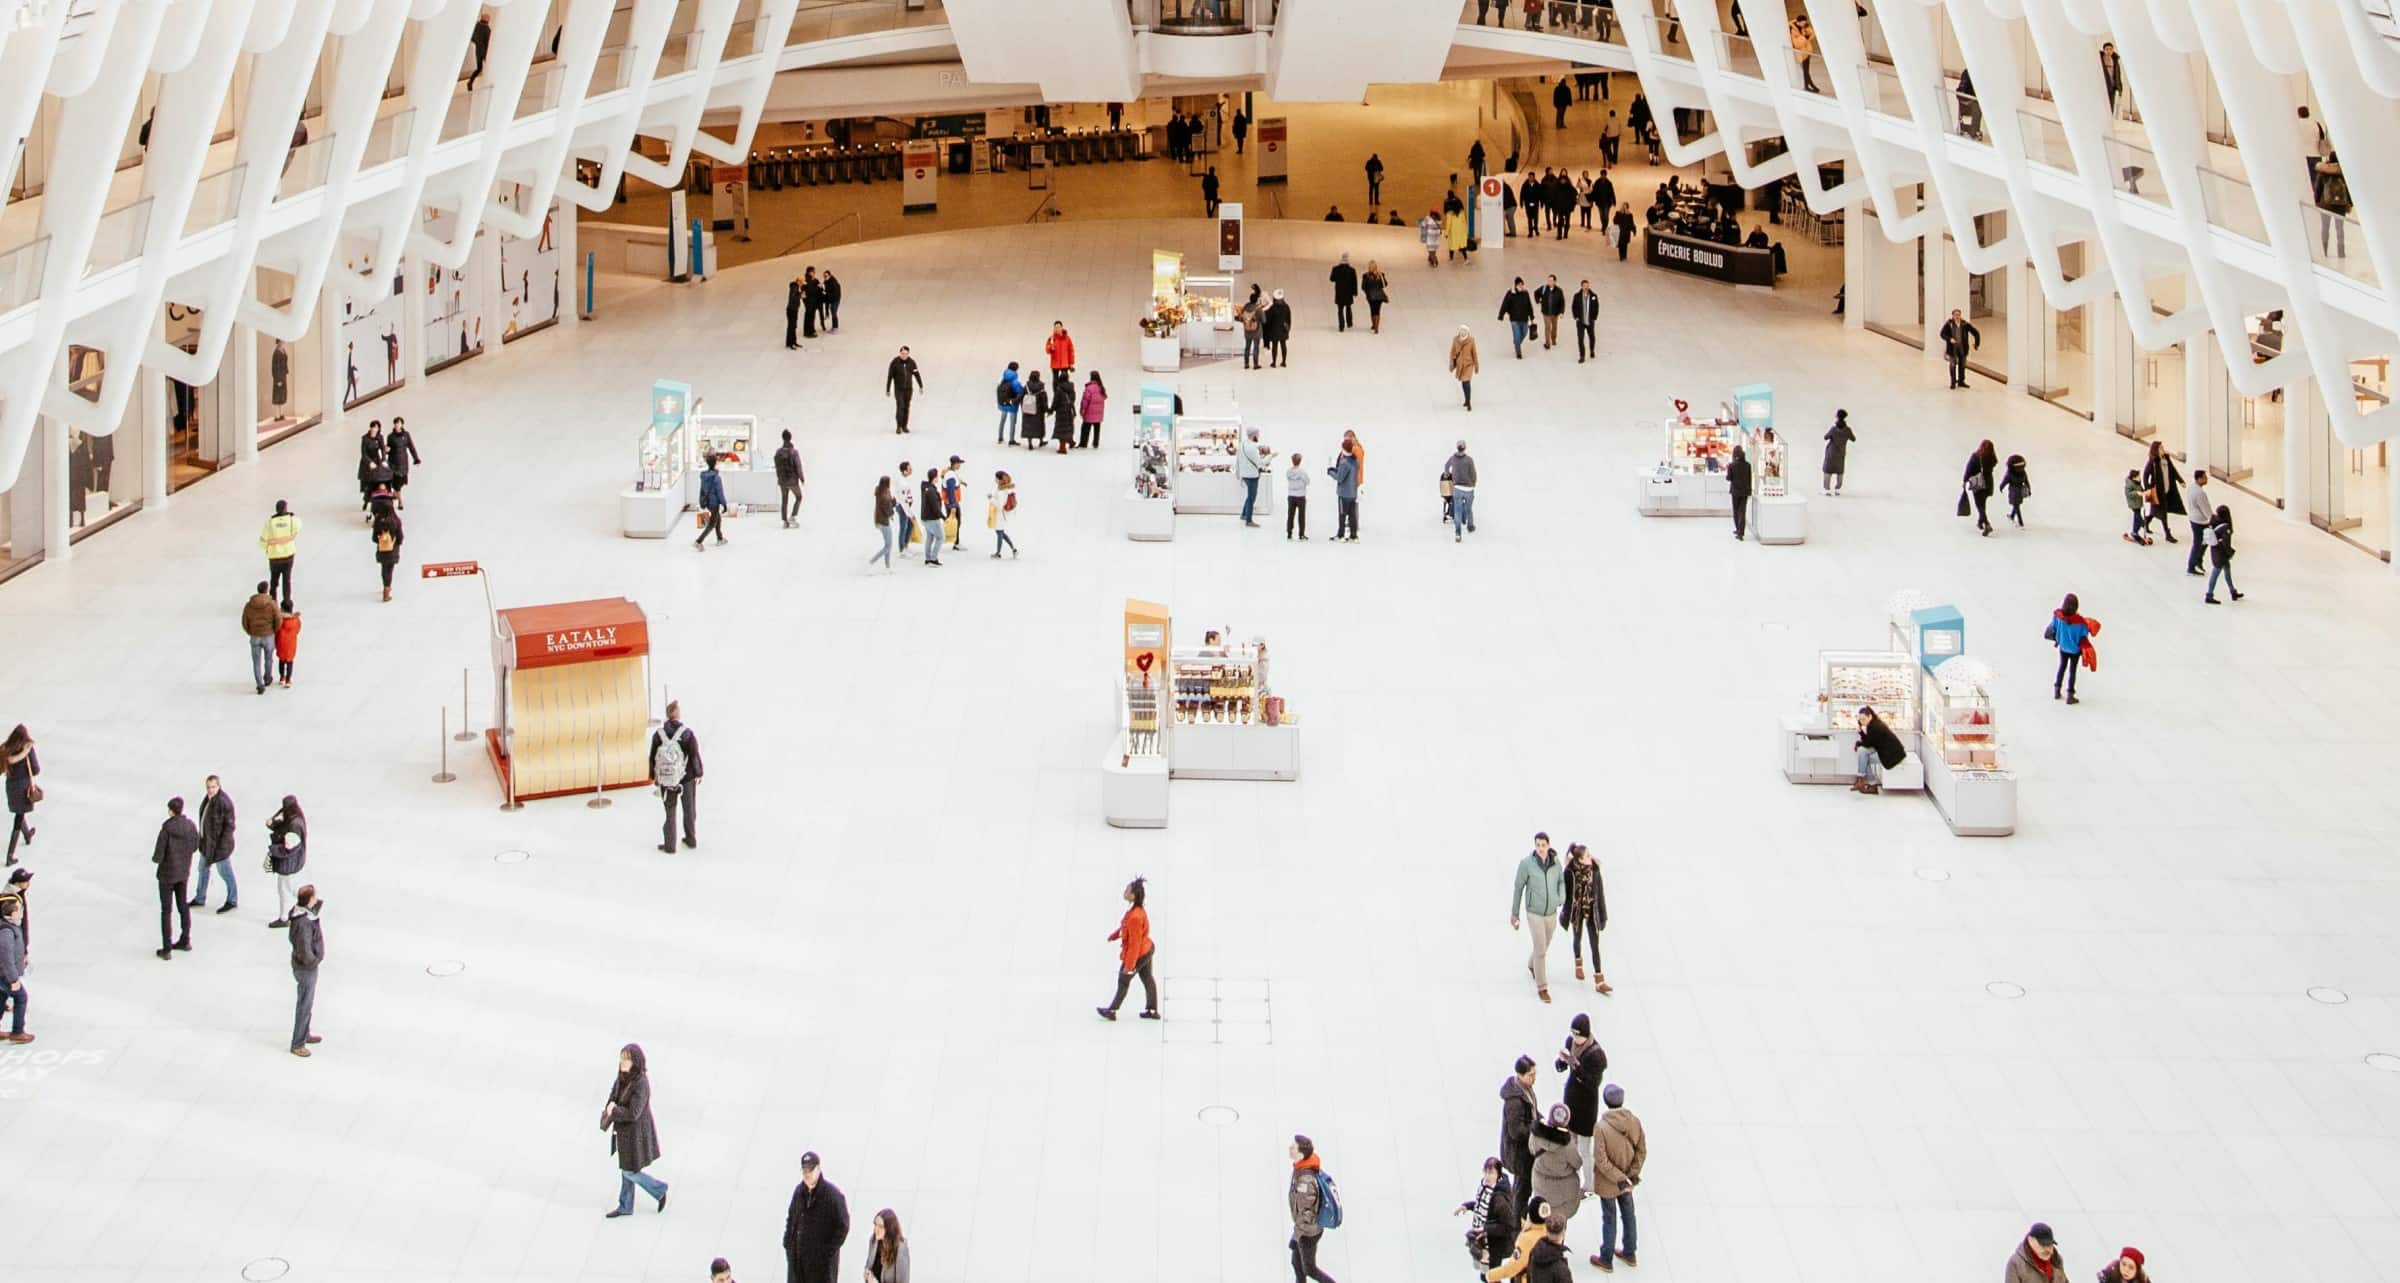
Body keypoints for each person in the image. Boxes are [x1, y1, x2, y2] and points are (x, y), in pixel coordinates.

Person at [602, 1044, 669, 1217]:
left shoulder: (641, 1083)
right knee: (626, 1168)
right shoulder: (622, 1077)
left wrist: (613, 1110)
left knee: (629, 1171)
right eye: (621, 1057)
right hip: (624, 1134)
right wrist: (610, 1105)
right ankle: (625, 1205)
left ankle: (659, 1190)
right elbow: (613, 1095)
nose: (622, 1061)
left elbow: (634, 1113)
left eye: (626, 1058)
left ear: (635, 1061)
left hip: (636, 1135)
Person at [1588, 1084, 1645, 1271]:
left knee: (1609, 1217)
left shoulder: (1601, 1127)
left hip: (1608, 1183)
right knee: (1629, 1214)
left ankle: (1606, 1258)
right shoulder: (1634, 1121)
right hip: (1627, 1181)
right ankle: (1630, 1252)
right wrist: (1630, 1175)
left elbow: (1601, 1159)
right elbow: (1641, 1151)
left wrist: (1619, 1178)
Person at [1511, 832, 1565, 1003]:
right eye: (1538, 845)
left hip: (1551, 913)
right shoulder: (1527, 864)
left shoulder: (1556, 862)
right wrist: (1515, 913)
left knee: (1545, 943)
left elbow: (1561, 881)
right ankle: (1542, 987)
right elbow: (1518, 888)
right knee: (1541, 949)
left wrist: (1560, 898)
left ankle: (1531, 964)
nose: (1540, 848)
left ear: (1549, 845)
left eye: (1543, 845)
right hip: (1534, 912)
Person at [1096, 875, 1158, 1020]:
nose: (1125, 891)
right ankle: (1152, 1011)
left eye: (1127, 890)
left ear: (1133, 895)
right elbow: (1126, 927)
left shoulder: (1135, 916)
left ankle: (1112, 1011)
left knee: (1123, 980)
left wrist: (1129, 966)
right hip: (1147, 948)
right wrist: (1115, 934)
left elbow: (1134, 944)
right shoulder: (1134, 910)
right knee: (1147, 978)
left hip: (1140, 953)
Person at [1555, 1012, 1606, 1182]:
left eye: (1578, 1036)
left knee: (1584, 1148)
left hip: (1586, 1105)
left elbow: (1592, 1083)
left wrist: (1576, 1066)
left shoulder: (1596, 1055)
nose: (1575, 1039)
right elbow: (1562, 1065)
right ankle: (1572, 1176)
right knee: (1571, 1143)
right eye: (1573, 1035)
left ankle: (1589, 1183)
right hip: (1571, 1098)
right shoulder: (1570, 1043)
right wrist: (1562, 1061)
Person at [784, 1151, 851, 1283]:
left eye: (810, 1170)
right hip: (797, 1264)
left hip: (820, 1269)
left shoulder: (832, 1195)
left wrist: (826, 1253)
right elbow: (791, 1219)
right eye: (804, 1170)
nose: (807, 1174)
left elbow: (843, 1226)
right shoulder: (799, 1192)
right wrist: (788, 1243)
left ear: (818, 1168)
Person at [151, 796, 201, 960]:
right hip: (183, 873)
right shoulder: (190, 826)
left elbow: (158, 856)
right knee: (183, 906)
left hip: (167, 874)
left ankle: (167, 948)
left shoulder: (166, 829)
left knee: (166, 911)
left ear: (171, 810)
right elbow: (195, 845)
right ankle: (185, 940)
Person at [651, 701, 703, 853]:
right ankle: (690, 839)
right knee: (689, 809)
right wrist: (699, 773)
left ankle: (669, 845)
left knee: (670, 811)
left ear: (668, 715)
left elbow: (653, 757)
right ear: (678, 714)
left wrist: (654, 777)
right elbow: (694, 755)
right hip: (686, 778)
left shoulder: (658, 734)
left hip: (667, 780)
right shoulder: (687, 733)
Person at [1528, 1105, 1583, 1240]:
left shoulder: (1536, 1135)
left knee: (1544, 1217)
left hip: (1541, 1183)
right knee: (1559, 1224)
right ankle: (1557, 1245)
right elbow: (1577, 1163)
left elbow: (1531, 1149)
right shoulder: (1567, 1145)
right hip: (1562, 1191)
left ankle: (1541, 1244)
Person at [1457, 1156, 1519, 1275]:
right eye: (1485, 1172)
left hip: (1496, 1244)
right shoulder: (1486, 1189)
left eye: (1491, 1173)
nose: (1487, 1176)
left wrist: (1485, 1229)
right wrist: (1467, 1206)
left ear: (1498, 1175)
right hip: (1485, 1239)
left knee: (1491, 1276)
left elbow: (1509, 1226)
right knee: (1485, 1274)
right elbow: (1483, 1207)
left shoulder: (1499, 1199)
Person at [1287, 1135, 1337, 1283]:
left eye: (1293, 1147)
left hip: (1308, 1233)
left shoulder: (1305, 1181)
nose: (1290, 1148)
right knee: (1297, 1264)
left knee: (1309, 1269)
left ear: (1301, 1154)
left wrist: (1296, 1237)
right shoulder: (1301, 1168)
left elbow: (1306, 1215)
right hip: (1304, 1229)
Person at [1562, 843, 1607, 992]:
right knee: (1577, 938)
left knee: (1595, 944)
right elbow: (1565, 895)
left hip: (1591, 911)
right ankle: (1578, 963)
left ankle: (1599, 981)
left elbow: (1600, 893)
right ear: (1580, 860)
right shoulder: (1570, 873)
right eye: (1587, 856)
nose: (1591, 857)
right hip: (1577, 911)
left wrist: (1603, 914)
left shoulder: (1595, 870)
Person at [286, 883, 323, 1056]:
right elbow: (304, 948)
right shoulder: (303, 924)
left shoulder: (304, 915)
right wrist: (313, 961)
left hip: (306, 966)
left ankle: (305, 1033)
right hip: (306, 968)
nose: (316, 900)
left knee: (307, 1002)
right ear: (308, 900)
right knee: (304, 1003)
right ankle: (297, 1043)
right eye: (314, 897)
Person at [191, 775, 238, 912]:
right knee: (202, 870)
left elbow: (229, 827)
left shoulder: (223, 802)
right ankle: (200, 897)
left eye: (213, 787)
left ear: (218, 786)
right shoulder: (208, 799)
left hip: (219, 848)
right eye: (208, 787)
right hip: (207, 844)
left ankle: (232, 899)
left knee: (225, 873)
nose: (210, 790)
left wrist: (220, 848)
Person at [2045, 594, 2099, 704]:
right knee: (2072, 671)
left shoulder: (2058, 617)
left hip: (2063, 647)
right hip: (2075, 650)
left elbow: (2053, 627)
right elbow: (2083, 636)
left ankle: (2057, 690)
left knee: (2061, 667)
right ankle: (2070, 695)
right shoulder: (2080, 623)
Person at [1500, 1056, 1539, 1202]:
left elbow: (1533, 1111)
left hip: (1525, 1151)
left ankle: (1517, 1217)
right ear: (1520, 1075)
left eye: (1535, 1074)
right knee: (1523, 1190)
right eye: (1531, 1075)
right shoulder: (1514, 1101)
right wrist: (1536, 1127)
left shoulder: (1526, 1089)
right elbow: (1516, 1131)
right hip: (1519, 1154)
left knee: (1520, 1188)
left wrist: (1541, 1119)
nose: (1534, 1079)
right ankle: (1517, 1221)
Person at [266, 795, 306, 927]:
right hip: (291, 863)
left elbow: (288, 848)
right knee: (288, 888)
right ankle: (308, 903)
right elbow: (283, 830)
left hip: (288, 864)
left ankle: (285, 918)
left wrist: (273, 849)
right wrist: (273, 824)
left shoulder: (294, 824)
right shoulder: (294, 819)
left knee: (285, 889)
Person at [2140, 440, 2184, 542]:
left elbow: (2172, 470)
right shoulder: (2153, 461)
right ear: (2156, 450)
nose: (2163, 449)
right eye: (2161, 448)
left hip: (2167, 490)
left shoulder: (2166, 458)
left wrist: (2180, 480)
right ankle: (2167, 534)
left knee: (2154, 511)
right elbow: (2145, 475)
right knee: (2163, 513)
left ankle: (2145, 523)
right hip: (2157, 492)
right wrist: (2147, 489)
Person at [1854, 705, 1905, 794]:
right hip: (1886, 750)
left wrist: (1861, 733)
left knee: (1863, 756)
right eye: (1860, 720)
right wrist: (1861, 736)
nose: (1862, 722)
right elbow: (1869, 741)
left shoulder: (1876, 727)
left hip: (1892, 755)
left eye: (1863, 719)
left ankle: (1865, 782)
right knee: (1862, 754)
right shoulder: (1873, 724)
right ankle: (1862, 781)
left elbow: (1867, 743)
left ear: (1870, 716)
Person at [1, 727, 31, 867]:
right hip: (22, 788)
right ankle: (10, 855)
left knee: (20, 812)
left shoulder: (4, 748)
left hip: (10, 787)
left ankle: (28, 834)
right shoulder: (24, 750)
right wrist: (26, 752)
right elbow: (35, 768)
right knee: (19, 817)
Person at [259, 500, 301, 601]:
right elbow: (298, 526)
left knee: (274, 581)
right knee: (287, 580)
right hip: (288, 555)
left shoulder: (270, 522)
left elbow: (263, 540)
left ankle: (273, 602)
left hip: (274, 557)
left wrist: (266, 548)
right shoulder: (292, 520)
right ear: (286, 508)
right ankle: (287, 603)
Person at [2204, 504, 2244, 604]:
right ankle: (2209, 594)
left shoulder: (2213, 520)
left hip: (2215, 550)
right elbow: (2226, 543)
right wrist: (2230, 552)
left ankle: (2233, 591)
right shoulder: (2225, 527)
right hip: (2221, 554)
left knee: (2227, 572)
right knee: (2215, 574)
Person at [243, 580, 279, 693]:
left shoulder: (249, 605)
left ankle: (260, 685)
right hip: (268, 635)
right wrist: (274, 630)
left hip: (255, 636)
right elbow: (278, 618)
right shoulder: (271, 604)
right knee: (269, 659)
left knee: (256, 662)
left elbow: (244, 621)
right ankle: (267, 678)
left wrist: (250, 631)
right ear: (266, 590)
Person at [0, 890, 26, 1042]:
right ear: (11, 912)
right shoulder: (6, 932)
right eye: (19, 908)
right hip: (6, 976)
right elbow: (6, 957)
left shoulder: (9, 926)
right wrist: (13, 979)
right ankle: (17, 1031)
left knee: (1, 998)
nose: (21, 911)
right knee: (21, 998)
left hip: (3, 975)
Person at [1961, 439, 1998, 536]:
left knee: (1979, 505)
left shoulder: (1976, 456)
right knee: (1983, 503)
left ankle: (1987, 524)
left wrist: (1965, 480)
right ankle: (1980, 522)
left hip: (1978, 483)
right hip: (1988, 483)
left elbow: (1969, 469)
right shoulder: (1992, 457)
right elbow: (1994, 463)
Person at [884, 346, 924, 434]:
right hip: (899, 389)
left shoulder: (912, 362)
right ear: (900, 353)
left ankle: (904, 426)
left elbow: (917, 374)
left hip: (908, 389)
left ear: (908, 354)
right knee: (900, 406)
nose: (904, 355)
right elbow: (890, 376)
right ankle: (898, 426)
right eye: (902, 354)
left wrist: (921, 386)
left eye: (906, 354)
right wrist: (888, 389)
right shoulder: (895, 363)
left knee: (906, 407)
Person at [1327, 443, 1361, 542]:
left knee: (1342, 514)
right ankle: (1353, 536)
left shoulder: (1344, 462)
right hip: (1353, 492)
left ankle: (1340, 534)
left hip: (1344, 493)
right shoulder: (1355, 461)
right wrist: (1337, 470)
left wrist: (1330, 472)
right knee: (1352, 515)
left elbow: (1339, 478)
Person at [1445, 440, 1478, 541]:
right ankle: (1470, 526)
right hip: (1468, 488)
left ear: (1457, 448)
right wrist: (1473, 483)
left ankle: (1458, 533)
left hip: (1457, 488)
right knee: (1468, 508)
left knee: (1457, 511)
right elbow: (1473, 474)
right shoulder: (1469, 460)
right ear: (1465, 448)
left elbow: (1446, 466)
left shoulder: (1453, 458)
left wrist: (1447, 474)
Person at [694, 453, 728, 551]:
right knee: (712, 524)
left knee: (718, 518)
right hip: (714, 503)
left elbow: (702, 490)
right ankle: (698, 541)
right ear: (715, 463)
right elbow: (720, 493)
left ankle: (720, 538)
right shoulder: (716, 478)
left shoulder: (704, 476)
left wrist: (701, 501)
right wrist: (724, 504)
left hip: (708, 502)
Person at [385, 416, 421, 508]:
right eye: (396, 423)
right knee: (396, 483)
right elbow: (388, 450)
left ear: (402, 424)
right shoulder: (390, 437)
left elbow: (411, 447)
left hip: (403, 463)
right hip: (393, 462)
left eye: (399, 423)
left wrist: (416, 458)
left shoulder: (406, 435)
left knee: (400, 483)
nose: (397, 425)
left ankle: (395, 494)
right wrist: (386, 450)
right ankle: (400, 501)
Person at [865, 1210, 909, 1283]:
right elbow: (868, 1266)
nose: (876, 1229)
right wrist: (867, 1274)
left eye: (880, 1226)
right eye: (875, 1224)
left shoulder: (900, 1249)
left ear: (890, 1229)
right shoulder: (873, 1240)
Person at [2184, 471, 2216, 575]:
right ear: (2199, 479)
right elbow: (2205, 508)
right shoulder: (2200, 493)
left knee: (2204, 541)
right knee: (2199, 543)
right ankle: (2192, 566)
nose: (2206, 479)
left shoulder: (2191, 488)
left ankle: (2198, 561)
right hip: (2200, 521)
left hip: (2193, 518)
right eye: (2204, 477)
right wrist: (2213, 519)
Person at [1940, 308, 1980, 388]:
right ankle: (1953, 382)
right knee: (1952, 365)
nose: (1957, 316)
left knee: (1962, 365)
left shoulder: (1965, 324)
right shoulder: (1949, 324)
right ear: (1953, 316)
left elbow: (1975, 332)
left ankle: (1961, 381)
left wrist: (1976, 344)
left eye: (1958, 315)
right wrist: (1949, 339)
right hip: (1952, 349)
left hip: (1962, 348)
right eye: (1955, 315)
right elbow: (1942, 334)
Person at [371, 504, 403, 601]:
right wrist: (396, 543)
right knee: (390, 569)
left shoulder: (378, 521)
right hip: (392, 549)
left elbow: (373, 538)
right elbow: (400, 537)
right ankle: (386, 591)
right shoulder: (396, 521)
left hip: (382, 550)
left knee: (384, 568)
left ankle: (385, 586)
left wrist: (381, 541)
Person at [1820, 410, 1855, 495]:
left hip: (1831, 452)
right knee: (1839, 471)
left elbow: (1825, 437)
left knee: (1827, 470)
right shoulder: (1847, 430)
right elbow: (1853, 439)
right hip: (1841, 453)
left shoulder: (1833, 429)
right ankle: (1837, 489)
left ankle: (1827, 489)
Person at [774, 430, 804, 527]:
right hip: (792, 480)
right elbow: (798, 466)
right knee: (799, 497)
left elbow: (776, 465)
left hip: (782, 480)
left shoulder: (778, 452)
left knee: (784, 500)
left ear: (783, 438)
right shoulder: (793, 452)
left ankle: (785, 522)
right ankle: (793, 517)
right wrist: (802, 478)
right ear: (790, 438)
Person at [1498, 278, 1534, 359]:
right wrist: (1501, 315)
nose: (1521, 287)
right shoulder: (1510, 293)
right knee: (1517, 336)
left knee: (1524, 333)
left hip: (1524, 319)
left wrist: (1532, 317)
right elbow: (1505, 304)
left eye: (1522, 285)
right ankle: (1518, 352)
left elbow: (1529, 306)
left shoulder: (1525, 293)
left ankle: (1516, 343)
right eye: (1519, 285)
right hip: (1514, 320)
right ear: (1515, 285)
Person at [269, 598, 302, 687]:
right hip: (291, 643)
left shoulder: (280, 620)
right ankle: (288, 679)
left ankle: (282, 677)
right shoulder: (296, 620)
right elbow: (298, 629)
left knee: (281, 661)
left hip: (281, 643)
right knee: (290, 661)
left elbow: (276, 629)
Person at [1448, 325, 1480, 412]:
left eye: (1465, 330)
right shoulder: (1455, 340)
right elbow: (1452, 352)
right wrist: (1451, 363)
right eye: (1461, 330)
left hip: (1468, 364)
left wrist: (1476, 365)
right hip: (1460, 364)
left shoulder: (1471, 340)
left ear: (1467, 332)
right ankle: (1466, 400)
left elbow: (1474, 353)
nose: (1463, 332)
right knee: (1463, 382)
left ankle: (1469, 402)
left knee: (1466, 382)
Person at [1020, 363, 1049, 452]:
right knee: (1039, 425)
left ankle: (1030, 443)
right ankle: (1040, 440)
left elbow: (1021, 397)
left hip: (1028, 409)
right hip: (1038, 410)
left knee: (1028, 426)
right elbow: (1044, 399)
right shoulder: (1041, 387)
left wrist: (1022, 407)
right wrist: (1046, 409)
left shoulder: (1027, 386)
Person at [869, 477, 897, 571]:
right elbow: (887, 509)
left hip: (880, 520)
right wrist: (892, 512)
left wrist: (892, 502)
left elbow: (889, 504)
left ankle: (887, 566)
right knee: (888, 545)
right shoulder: (884, 495)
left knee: (888, 544)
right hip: (883, 522)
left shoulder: (882, 491)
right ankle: (872, 561)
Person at [989, 470, 1019, 559]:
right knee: (1001, 532)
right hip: (1003, 514)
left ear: (1000, 480)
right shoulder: (1003, 488)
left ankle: (998, 553)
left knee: (999, 533)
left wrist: (991, 499)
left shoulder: (1003, 491)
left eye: (996, 478)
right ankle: (1014, 549)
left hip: (1001, 514)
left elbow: (1000, 504)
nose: (995, 480)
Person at [1727, 444, 1753, 541]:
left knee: (1736, 511)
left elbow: (1729, 478)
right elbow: (1750, 478)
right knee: (1742, 511)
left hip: (1735, 491)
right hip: (1745, 491)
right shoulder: (1748, 465)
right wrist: (1750, 490)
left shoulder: (1731, 465)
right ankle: (1741, 532)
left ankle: (1738, 530)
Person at [995, 362, 1024, 444]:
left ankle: (1000, 437)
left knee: (1002, 420)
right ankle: (1011, 439)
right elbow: (1019, 391)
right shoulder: (1014, 381)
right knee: (1012, 422)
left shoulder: (1002, 378)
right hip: (1011, 404)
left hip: (1003, 402)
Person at [942, 455, 967, 550]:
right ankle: (954, 541)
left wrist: (961, 482)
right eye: (959, 463)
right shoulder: (950, 476)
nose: (960, 465)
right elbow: (951, 491)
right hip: (952, 502)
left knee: (953, 521)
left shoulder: (950, 472)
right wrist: (953, 505)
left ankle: (952, 539)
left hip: (950, 502)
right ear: (955, 464)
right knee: (956, 521)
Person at [1328, 254, 1358, 332]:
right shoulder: (1352, 270)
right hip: (1348, 292)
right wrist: (1355, 292)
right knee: (1348, 307)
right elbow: (1354, 282)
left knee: (1340, 309)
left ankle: (1341, 326)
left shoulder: (1335, 269)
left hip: (1339, 292)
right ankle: (1349, 322)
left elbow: (1332, 279)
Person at [1262, 290, 1292, 368]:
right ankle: (1284, 362)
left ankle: (1274, 363)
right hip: (1283, 330)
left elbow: (1268, 320)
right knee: (1283, 345)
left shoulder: (1272, 309)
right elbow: (1289, 319)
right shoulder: (1286, 307)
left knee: (1275, 346)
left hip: (1274, 330)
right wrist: (1288, 329)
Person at [1284, 452, 1311, 539]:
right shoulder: (1302, 472)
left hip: (1291, 495)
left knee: (1290, 515)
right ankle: (1301, 534)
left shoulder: (1288, 471)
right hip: (1300, 495)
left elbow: (1288, 478)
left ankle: (1289, 533)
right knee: (1301, 516)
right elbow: (1307, 481)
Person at [2121, 469, 2150, 545]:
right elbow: (2128, 494)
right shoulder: (2129, 484)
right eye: (2138, 476)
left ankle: (2138, 528)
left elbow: (2140, 489)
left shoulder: (2137, 482)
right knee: (2137, 517)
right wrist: (2137, 493)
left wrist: (2144, 492)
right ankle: (2135, 531)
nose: (2139, 478)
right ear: (2133, 477)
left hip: (2138, 503)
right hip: (2134, 504)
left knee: (2137, 517)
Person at [2002, 453, 2031, 527]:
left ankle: (2020, 522)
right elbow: (2026, 481)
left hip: (2013, 490)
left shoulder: (2009, 473)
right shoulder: (2023, 472)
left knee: (2016, 506)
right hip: (2020, 490)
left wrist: (2001, 487)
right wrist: (2029, 489)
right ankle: (2012, 516)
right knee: (2016, 505)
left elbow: (2005, 481)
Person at [1359, 261, 1388, 333]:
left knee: (1372, 310)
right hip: (1379, 296)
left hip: (1371, 296)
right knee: (1377, 311)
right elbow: (1385, 285)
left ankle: (1374, 325)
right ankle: (1376, 328)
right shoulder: (1381, 274)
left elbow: (1363, 287)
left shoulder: (1365, 275)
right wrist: (1381, 277)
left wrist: (1367, 292)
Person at [467, 9, 490, 88]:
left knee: (479, 68)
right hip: (485, 52)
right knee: (490, 67)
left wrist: (477, 43)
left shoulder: (476, 26)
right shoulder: (487, 29)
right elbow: (488, 42)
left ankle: (470, 81)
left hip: (478, 51)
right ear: (487, 20)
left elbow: (472, 38)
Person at [801, 268, 822, 338]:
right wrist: (818, 288)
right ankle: (808, 332)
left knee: (812, 316)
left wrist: (820, 287)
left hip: (813, 302)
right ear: (810, 273)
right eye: (813, 272)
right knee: (809, 317)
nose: (814, 273)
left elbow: (820, 288)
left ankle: (811, 329)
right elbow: (810, 291)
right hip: (809, 302)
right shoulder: (806, 281)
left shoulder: (815, 280)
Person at [785, 276, 803, 349]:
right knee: (791, 327)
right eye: (802, 282)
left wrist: (799, 294)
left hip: (794, 309)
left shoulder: (795, 287)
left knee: (793, 326)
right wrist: (800, 295)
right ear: (799, 281)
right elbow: (793, 297)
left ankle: (793, 342)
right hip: (791, 310)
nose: (802, 283)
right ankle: (790, 343)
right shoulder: (794, 287)